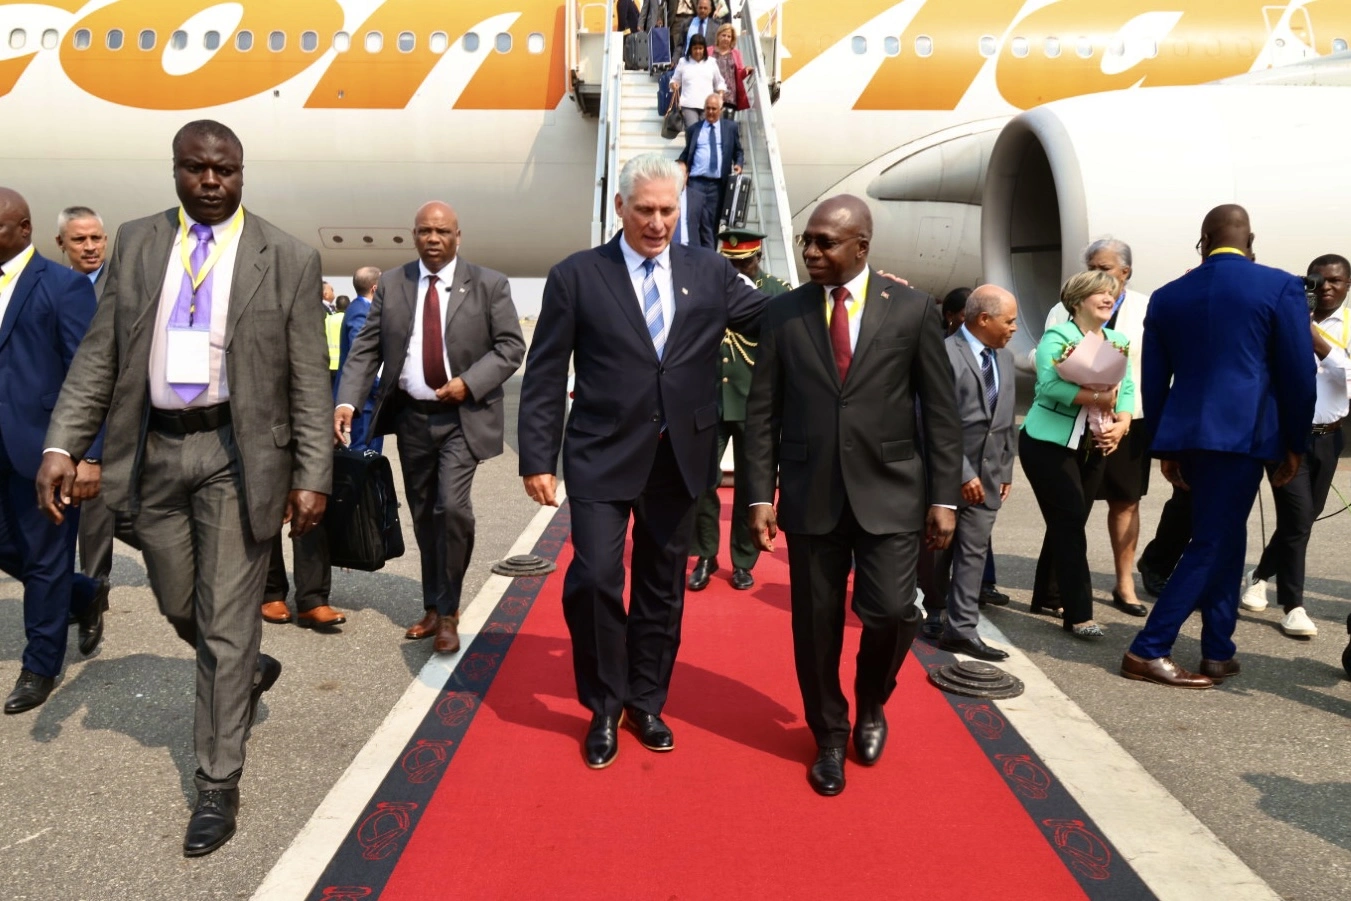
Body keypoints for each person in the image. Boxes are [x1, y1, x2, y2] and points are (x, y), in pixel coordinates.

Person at [37, 120, 333, 856]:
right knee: (179, 602)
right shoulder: (138, 243)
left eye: (224, 170)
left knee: (227, 621)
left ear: (242, 173)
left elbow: (307, 379)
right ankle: (243, 668)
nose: (210, 181)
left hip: (239, 454)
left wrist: (312, 475)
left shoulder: (286, 256)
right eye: (196, 168)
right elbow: (101, 354)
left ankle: (217, 781)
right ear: (174, 170)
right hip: (155, 453)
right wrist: (62, 442)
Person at [518, 153, 766, 770]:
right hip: (601, 454)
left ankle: (645, 700)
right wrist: (537, 458)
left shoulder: (709, 271)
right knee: (596, 580)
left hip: (680, 457)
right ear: (621, 207)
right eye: (647, 210)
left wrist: (838, 288)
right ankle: (602, 704)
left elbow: (772, 318)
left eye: (668, 210)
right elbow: (546, 372)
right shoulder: (577, 275)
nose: (658, 222)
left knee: (662, 588)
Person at [744, 195, 962, 797]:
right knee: (815, 626)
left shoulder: (912, 310)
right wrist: (759, 494)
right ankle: (830, 735)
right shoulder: (783, 313)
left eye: (824, 242)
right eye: (808, 241)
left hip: (892, 492)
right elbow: (762, 412)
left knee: (893, 611)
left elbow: (941, 413)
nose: (810, 251)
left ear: (860, 247)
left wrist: (945, 496)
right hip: (813, 493)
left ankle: (872, 704)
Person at [1122, 204, 1314, 688]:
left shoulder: (1166, 297)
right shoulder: (1279, 286)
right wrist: (1296, 441)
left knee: (1227, 537)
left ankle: (1218, 648)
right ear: (1251, 240)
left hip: (1190, 435)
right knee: (1212, 540)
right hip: (1243, 435)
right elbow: (1298, 371)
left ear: (1202, 242)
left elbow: (1154, 380)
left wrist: (1166, 448)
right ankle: (1149, 648)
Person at [336, 202, 525, 655]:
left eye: (442, 231)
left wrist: (469, 383)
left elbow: (510, 347)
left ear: (458, 236)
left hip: (462, 419)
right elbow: (366, 350)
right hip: (412, 418)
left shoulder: (488, 284)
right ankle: (433, 604)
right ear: (414, 235)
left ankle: (450, 612)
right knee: (424, 514)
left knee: (451, 508)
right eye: (424, 231)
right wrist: (346, 400)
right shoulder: (394, 285)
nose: (433, 239)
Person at [0, 189, 106, 714]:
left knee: (44, 559)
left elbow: (90, 376)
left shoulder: (62, 286)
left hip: (46, 451)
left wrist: (90, 455)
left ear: (23, 228)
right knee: (10, 549)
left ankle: (40, 664)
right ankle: (83, 593)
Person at [1238, 254, 1351, 638]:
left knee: (1303, 518)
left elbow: (1348, 373)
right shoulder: (1282, 319)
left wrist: (1313, 337)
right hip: (1286, 438)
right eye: (1319, 281)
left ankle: (1259, 574)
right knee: (1299, 516)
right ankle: (1294, 605)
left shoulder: (1347, 326)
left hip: (1330, 435)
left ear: (1347, 285)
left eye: (1336, 281)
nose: (1327, 288)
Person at [1019, 270, 1135, 640]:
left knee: (1068, 523)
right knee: (1069, 522)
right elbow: (1048, 385)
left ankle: (1047, 595)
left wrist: (1123, 422)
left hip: (1095, 444)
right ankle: (1079, 613)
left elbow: (1128, 386)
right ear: (1077, 300)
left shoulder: (1117, 340)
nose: (1108, 298)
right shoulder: (1059, 336)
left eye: (1112, 293)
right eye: (1099, 292)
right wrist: (1101, 398)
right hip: (1047, 444)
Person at [1042, 239, 1150, 617]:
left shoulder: (1144, 308)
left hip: (1127, 420)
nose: (1095, 274)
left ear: (1125, 272)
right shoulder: (1064, 308)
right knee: (1071, 506)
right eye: (1090, 266)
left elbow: (1140, 369)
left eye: (1103, 268)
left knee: (1126, 501)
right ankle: (1055, 588)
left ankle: (1125, 583)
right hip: (1074, 420)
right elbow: (1047, 359)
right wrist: (1093, 394)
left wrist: (1121, 419)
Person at [688, 227, 789, 593]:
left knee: (752, 485)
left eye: (744, 263)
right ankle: (704, 554)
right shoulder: (705, 286)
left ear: (757, 258)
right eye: (731, 263)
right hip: (707, 401)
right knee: (700, 482)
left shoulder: (776, 293)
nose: (738, 270)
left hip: (755, 404)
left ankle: (744, 561)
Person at [56, 206, 139, 601]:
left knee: (95, 509)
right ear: (62, 244)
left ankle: (94, 586)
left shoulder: (127, 285)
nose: (90, 248)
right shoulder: (51, 287)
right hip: (57, 413)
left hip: (110, 414)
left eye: (96, 239)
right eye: (79, 240)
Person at [933, 286, 1018, 662]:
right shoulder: (943, 354)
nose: (1014, 328)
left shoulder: (1006, 359)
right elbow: (936, 421)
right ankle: (931, 612)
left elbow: (1006, 422)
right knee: (936, 552)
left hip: (989, 475)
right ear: (984, 319)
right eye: (1009, 320)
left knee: (973, 553)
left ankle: (961, 629)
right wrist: (963, 472)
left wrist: (1006, 469)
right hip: (949, 472)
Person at [675, 93, 742, 250]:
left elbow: (738, 151)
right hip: (696, 182)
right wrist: (680, 168)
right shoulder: (694, 130)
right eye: (707, 109)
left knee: (711, 222)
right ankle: (692, 252)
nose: (710, 112)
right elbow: (687, 153)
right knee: (693, 218)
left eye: (714, 109)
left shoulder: (730, 128)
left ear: (721, 109)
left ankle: (709, 256)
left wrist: (738, 164)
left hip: (717, 185)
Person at [337, 265, 384, 454]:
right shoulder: (361, 312)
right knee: (364, 453)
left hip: (365, 398)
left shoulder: (360, 308)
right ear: (375, 288)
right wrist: (378, 388)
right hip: (364, 400)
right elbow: (361, 357)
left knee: (369, 455)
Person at [669, 35, 727, 131]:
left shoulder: (711, 62)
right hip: (688, 105)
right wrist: (673, 85)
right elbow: (675, 80)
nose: (698, 51)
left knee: (706, 133)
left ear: (704, 49)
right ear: (690, 49)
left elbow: (719, 82)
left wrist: (720, 97)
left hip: (708, 106)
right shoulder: (683, 62)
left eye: (700, 48)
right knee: (693, 132)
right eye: (695, 48)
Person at [709, 23, 750, 114]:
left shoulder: (736, 54)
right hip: (711, 96)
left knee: (727, 126)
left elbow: (739, 75)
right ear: (718, 36)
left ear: (732, 39)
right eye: (723, 35)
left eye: (729, 36)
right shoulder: (709, 51)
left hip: (730, 97)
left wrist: (745, 71)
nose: (726, 38)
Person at [324, 282, 343, 388]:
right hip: (335, 361)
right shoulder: (322, 310)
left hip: (330, 361)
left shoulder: (331, 315)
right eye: (332, 289)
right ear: (325, 293)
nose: (333, 292)